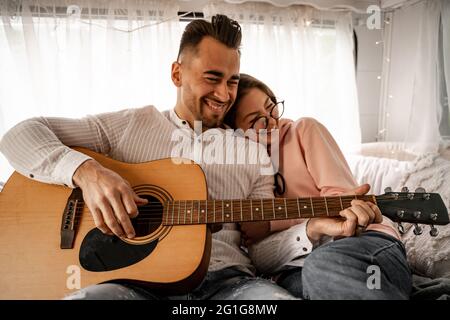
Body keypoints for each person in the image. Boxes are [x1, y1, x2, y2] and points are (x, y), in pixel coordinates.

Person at [0, 15, 295, 300]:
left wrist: (311, 231)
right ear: (176, 74)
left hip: (228, 283)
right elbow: (20, 134)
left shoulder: (253, 152)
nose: (224, 93)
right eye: (212, 78)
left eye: (232, 81)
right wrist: (87, 173)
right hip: (131, 282)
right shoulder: (130, 125)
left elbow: (260, 249)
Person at [225, 73, 412, 299]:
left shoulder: (303, 130)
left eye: (271, 108)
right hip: (295, 266)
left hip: (363, 241)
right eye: (257, 120)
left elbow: (344, 203)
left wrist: (271, 222)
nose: (272, 121)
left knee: (321, 266)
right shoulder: (244, 170)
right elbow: (260, 251)